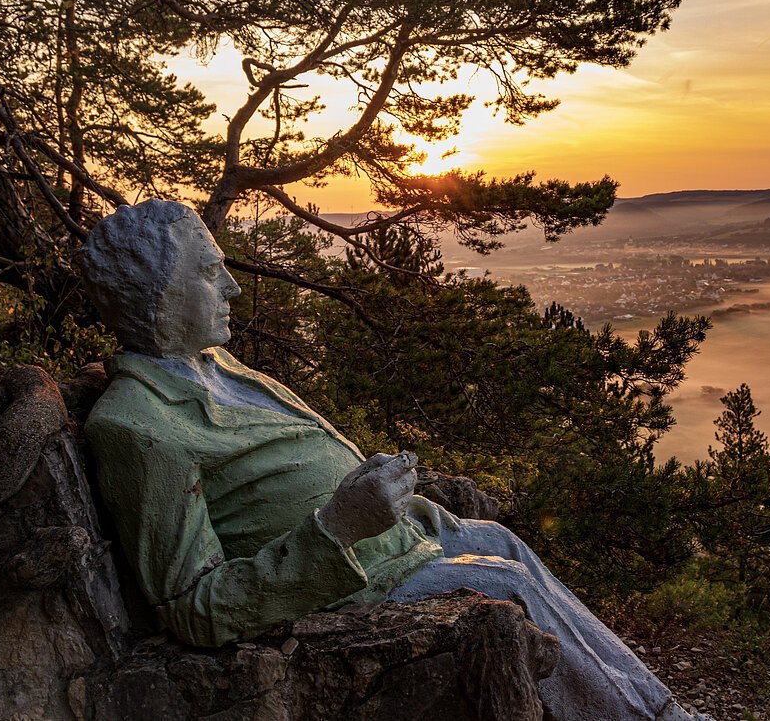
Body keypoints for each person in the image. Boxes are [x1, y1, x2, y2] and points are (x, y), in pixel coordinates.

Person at [80, 199, 697, 721]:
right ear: (158, 294)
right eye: (212, 273)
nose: (234, 286)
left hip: (388, 545)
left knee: (502, 544)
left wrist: (395, 507)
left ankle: (663, 709)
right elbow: (194, 608)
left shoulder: (218, 366)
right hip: (337, 589)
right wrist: (343, 527)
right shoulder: (138, 427)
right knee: (501, 585)